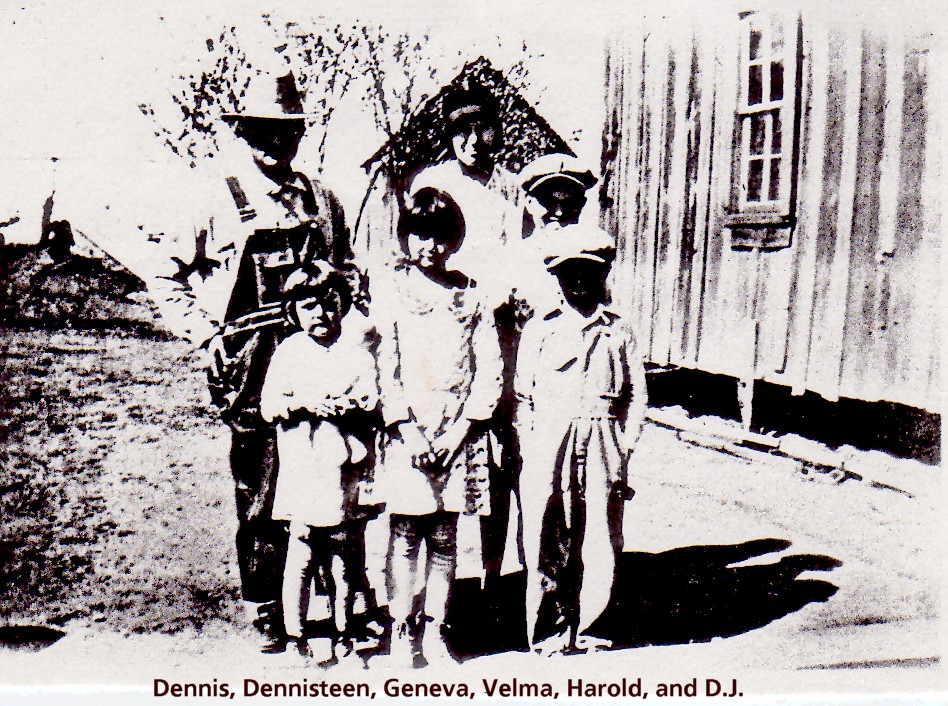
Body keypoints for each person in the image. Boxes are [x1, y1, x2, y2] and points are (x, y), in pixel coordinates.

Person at [146, 69, 359, 651]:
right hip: (252, 359)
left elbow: (349, 271)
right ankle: (268, 604)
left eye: (286, 131)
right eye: (261, 131)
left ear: (300, 135)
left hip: (322, 349)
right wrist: (205, 335)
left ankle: (334, 598)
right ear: (241, 132)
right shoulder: (213, 199)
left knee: (334, 471)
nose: (274, 143)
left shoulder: (323, 198)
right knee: (263, 484)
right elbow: (167, 276)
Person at [373, 188, 503, 666]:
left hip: (457, 433)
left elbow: (488, 365)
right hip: (410, 429)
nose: (430, 247)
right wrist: (405, 427)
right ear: (406, 236)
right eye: (419, 235)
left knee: (445, 538)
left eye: (441, 237)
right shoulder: (393, 289)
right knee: (406, 534)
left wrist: (461, 429)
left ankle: (434, 631)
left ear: (455, 241)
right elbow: (384, 362)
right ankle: (401, 630)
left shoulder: (470, 294)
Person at [514, 225, 646, 655]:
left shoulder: (619, 329)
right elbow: (524, 395)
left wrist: (624, 446)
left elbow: (635, 396)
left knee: (601, 535)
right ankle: (550, 631)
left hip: (604, 436)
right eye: (569, 271)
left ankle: (591, 625)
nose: (579, 280)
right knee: (548, 530)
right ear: (556, 276)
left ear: (603, 272)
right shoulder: (541, 328)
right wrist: (532, 446)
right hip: (551, 437)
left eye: (589, 270)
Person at [259, 265, 378, 662]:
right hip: (305, 468)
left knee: (344, 554)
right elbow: (268, 406)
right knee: (303, 550)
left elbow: (371, 398)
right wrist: (302, 404)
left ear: (342, 305)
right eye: (309, 307)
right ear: (294, 311)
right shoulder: (289, 351)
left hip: (344, 469)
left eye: (329, 305)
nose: (321, 314)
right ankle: (297, 636)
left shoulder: (355, 350)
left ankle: (345, 632)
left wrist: (350, 406)